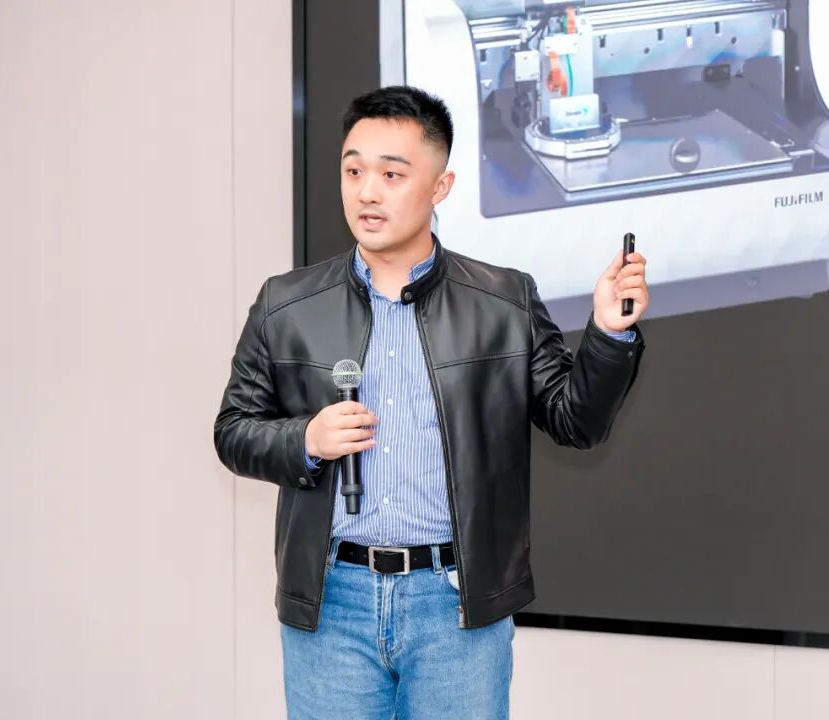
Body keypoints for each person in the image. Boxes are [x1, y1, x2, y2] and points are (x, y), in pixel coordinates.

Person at [214, 85, 648, 719]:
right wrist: (304, 440)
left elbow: (575, 420)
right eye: (354, 171)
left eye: (392, 175)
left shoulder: (503, 303)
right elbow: (233, 430)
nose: (367, 192)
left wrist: (609, 333)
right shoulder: (287, 304)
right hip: (333, 603)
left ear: (440, 187)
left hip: (455, 606)